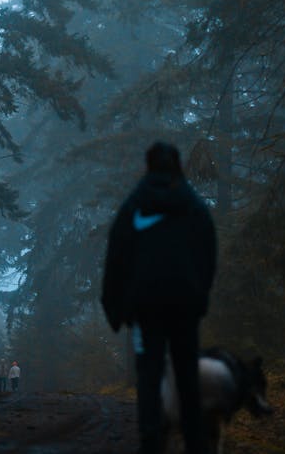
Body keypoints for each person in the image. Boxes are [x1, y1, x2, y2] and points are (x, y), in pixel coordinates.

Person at [101, 141, 217, 454]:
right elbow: (208, 254)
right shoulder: (193, 205)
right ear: (177, 165)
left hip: (146, 307)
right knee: (186, 375)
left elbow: (116, 258)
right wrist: (200, 296)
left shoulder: (134, 205)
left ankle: (150, 442)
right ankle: (195, 443)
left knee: (149, 375)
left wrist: (115, 308)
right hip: (185, 305)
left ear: (148, 165)